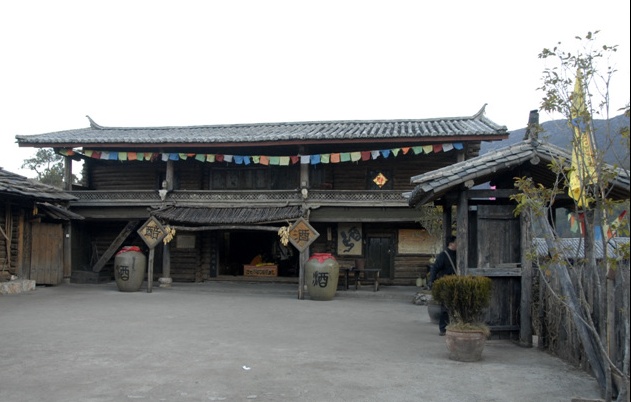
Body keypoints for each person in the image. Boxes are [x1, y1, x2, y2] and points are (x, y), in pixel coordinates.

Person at [428, 235, 457, 336]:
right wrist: (431, 281)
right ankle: (443, 328)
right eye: (456, 242)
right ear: (451, 244)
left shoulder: (460, 254)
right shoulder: (443, 255)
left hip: (457, 283)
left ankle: (455, 326)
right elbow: (435, 268)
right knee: (445, 307)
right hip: (446, 284)